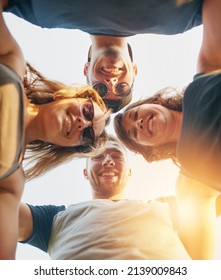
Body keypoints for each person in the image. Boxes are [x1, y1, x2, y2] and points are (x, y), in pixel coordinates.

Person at [0, 3, 110, 259]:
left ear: (68, 148)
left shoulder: (12, 182)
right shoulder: (12, 61)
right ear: (70, 96)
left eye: (86, 136)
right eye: (87, 111)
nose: (82, 124)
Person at [18, 135, 220, 260]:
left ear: (130, 172)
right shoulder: (54, 219)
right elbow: (7, 210)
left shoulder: (168, 209)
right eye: (98, 157)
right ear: (85, 172)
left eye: (116, 156)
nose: (108, 161)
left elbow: (209, 195)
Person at [2, 0, 203, 112]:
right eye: (122, 88)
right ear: (135, 70)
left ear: (85, 70)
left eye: (100, 87)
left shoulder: (41, 15)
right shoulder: (178, 21)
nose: (112, 81)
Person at [114, 0, 221, 192]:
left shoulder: (202, 79)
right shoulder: (194, 172)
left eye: (135, 115)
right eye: (134, 133)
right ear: (150, 148)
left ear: (155, 102)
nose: (138, 123)